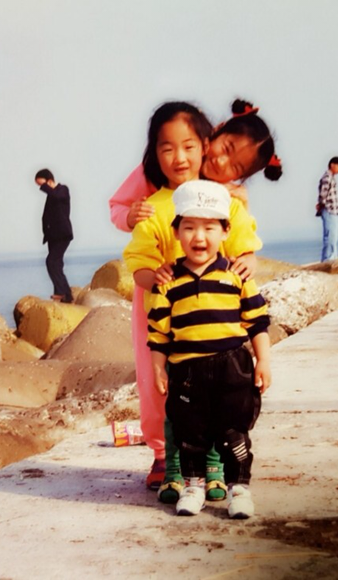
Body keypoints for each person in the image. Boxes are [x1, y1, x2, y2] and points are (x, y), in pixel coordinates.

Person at [114, 100, 281, 502]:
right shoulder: (156, 186)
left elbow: (241, 239)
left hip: (210, 315)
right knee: (156, 384)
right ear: (214, 135)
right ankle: (163, 456)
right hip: (161, 306)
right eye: (224, 149)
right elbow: (120, 212)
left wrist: (249, 259)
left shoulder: (225, 197)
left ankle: (211, 460)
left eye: (234, 165)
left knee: (214, 386)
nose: (182, 156)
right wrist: (130, 216)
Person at [148, 180, 271, 518]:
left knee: (234, 433)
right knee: (190, 434)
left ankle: (239, 489)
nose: (199, 237)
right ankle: (193, 487)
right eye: (189, 227)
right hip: (187, 372)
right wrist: (158, 368)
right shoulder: (168, 282)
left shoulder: (237, 276)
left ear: (225, 231)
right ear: (176, 232)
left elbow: (258, 322)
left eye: (209, 228)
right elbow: (158, 333)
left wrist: (263, 361)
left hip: (232, 368)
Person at [35, 168, 73, 303]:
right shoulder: (51, 195)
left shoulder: (63, 190)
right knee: (57, 264)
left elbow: (57, 197)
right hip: (53, 236)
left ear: (50, 181)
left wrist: (46, 188)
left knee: (51, 262)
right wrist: (46, 232)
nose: (41, 189)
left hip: (63, 234)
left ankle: (63, 292)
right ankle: (62, 294)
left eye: (42, 185)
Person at [316, 156, 338, 262]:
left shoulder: (331, 177)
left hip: (332, 210)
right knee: (330, 237)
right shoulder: (327, 177)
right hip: (329, 210)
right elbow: (323, 193)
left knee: (333, 237)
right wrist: (321, 204)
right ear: (332, 165)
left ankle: (332, 258)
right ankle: (328, 260)